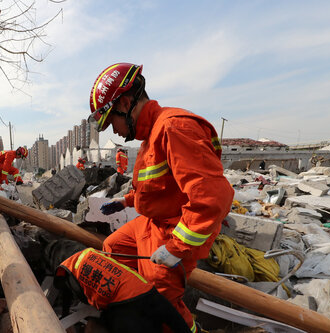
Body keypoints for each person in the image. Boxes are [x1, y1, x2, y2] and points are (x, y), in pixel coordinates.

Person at [88, 63, 233, 331]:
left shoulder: (173, 128)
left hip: (176, 229)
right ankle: (134, 310)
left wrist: (176, 248)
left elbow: (213, 199)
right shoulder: (150, 137)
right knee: (114, 248)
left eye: (112, 121)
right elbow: (158, 188)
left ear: (126, 103)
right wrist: (125, 202)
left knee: (161, 299)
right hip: (153, 221)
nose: (114, 130)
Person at [52, 246, 191, 333]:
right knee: (178, 325)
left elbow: (80, 296)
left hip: (127, 308)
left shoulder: (68, 268)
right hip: (146, 291)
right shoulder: (89, 253)